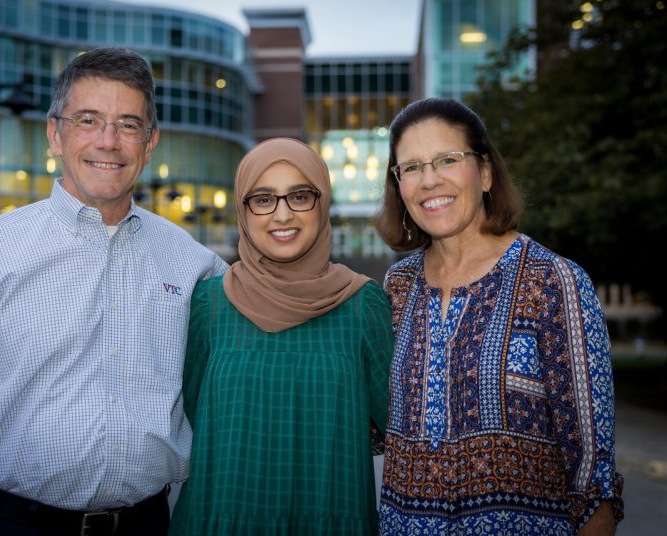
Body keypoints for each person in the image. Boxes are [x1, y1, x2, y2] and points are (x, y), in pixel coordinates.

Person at [0, 46, 228, 536]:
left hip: (148, 525)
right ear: (55, 134)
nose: (108, 141)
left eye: (128, 124)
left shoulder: (195, 265)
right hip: (14, 526)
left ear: (150, 141)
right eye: (88, 120)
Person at [374, 97, 624, 535]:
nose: (429, 180)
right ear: (398, 186)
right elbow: (373, 426)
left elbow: (593, 481)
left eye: (447, 159)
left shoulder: (553, 281)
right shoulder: (395, 289)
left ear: (485, 172)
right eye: (410, 167)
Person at [168, 137, 394, 535]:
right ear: (243, 208)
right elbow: (189, 412)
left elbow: (402, 426)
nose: (282, 214)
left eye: (299, 196)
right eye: (263, 198)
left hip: (332, 518)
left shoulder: (362, 305)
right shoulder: (210, 303)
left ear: (322, 204)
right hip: (221, 518)